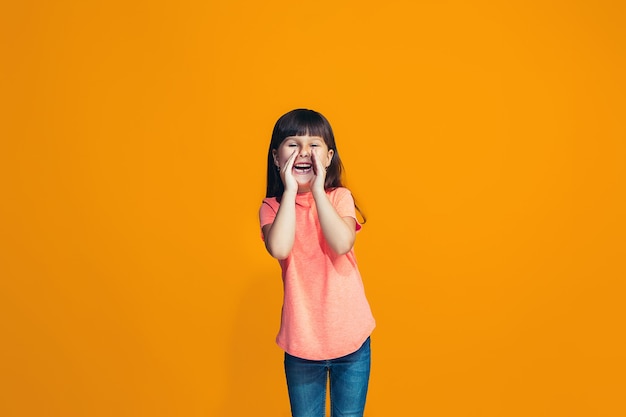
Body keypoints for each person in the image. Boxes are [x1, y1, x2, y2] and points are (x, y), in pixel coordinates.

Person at [259, 108, 376, 417]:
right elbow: (281, 247)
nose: (304, 152)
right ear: (276, 157)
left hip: (351, 341)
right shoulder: (271, 208)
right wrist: (291, 191)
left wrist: (320, 191)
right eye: (293, 144)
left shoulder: (339, 197)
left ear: (328, 157)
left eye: (314, 145)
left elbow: (341, 243)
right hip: (302, 343)